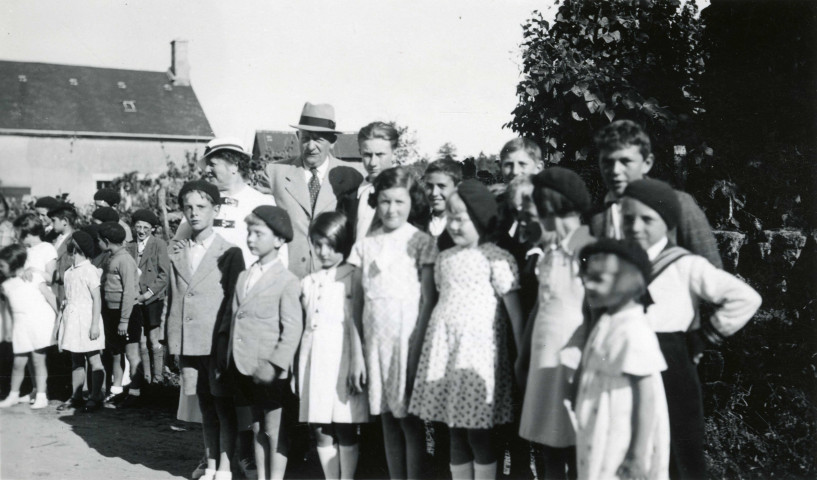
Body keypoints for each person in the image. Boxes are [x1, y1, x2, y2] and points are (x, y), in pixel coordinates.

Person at [620, 179, 762, 479]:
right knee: (634, 444)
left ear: (668, 222)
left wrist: (704, 336)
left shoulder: (685, 265)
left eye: (647, 219)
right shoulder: (619, 263)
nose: (635, 226)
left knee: (681, 445)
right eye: (628, 218)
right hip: (628, 361)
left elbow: (745, 297)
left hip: (673, 361)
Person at [173, 137, 280, 479]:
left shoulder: (260, 201)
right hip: (207, 315)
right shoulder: (198, 207)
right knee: (208, 394)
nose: (208, 169)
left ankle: (246, 453)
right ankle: (213, 457)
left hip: (249, 308)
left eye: (214, 162)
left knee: (243, 389)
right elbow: (180, 252)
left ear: (233, 163)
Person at [410, 179, 525, 480]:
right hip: (446, 352)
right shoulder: (444, 258)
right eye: (451, 218)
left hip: (479, 357)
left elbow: (514, 314)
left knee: (478, 432)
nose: (455, 225)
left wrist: (520, 355)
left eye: (462, 218)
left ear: (482, 217)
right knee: (454, 430)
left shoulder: (497, 258)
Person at [346, 166, 437, 479]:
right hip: (375, 344)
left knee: (409, 421)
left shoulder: (421, 242)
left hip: (407, 342)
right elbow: (356, 303)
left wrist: (417, 350)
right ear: (376, 201)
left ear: (411, 202)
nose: (392, 209)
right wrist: (357, 354)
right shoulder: (365, 245)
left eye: (399, 201)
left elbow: (428, 301)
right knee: (386, 418)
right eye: (385, 201)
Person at [516, 168, 594, 480]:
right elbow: (542, 305)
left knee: (577, 444)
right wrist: (523, 355)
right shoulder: (550, 251)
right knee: (548, 444)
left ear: (549, 205)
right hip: (544, 360)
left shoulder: (587, 247)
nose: (525, 215)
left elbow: (595, 309)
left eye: (531, 207)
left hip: (573, 361)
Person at [166, 180, 245, 480]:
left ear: (215, 209)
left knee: (224, 406)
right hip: (190, 343)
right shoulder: (180, 250)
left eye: (201, 207)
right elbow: (174, 298)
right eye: (188, 207)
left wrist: (230, 344)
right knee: (205, 408)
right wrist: (172, 341)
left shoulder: (229, 252)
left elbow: (235, 303)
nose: (194, 213)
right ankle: (211, 464)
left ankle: (226, 467)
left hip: (217, 342)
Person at [575, 238, 671, 480]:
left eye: (598, 279)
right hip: (599, 427)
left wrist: (637, 455)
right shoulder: (608, 320)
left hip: (620, 433)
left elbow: (647, 397)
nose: (587, 284)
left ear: (627, 282)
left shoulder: (633, 330)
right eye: (587, 277)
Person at [220, 206, 302, 480]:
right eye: (249, 233)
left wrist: (275, 364)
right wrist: (227, 358)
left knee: (274, 429)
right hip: (245, 366)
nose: (251, 239)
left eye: (259, 233)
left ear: (279, 240)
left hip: (271, 370)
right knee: (256, 427)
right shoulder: (244, 276)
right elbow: (235, 321)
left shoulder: (287, 280)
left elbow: (292, 329)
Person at [590, 120, 723, 268]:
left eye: (625, 161)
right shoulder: (597, 215)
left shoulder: (678, 204)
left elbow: (713, 277)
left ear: (647, 163)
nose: (615, 171)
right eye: (607, 162)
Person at [299, 211, 369, 479]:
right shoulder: (309, 282)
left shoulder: (354, 277)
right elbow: (307, 330)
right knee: (319, 424)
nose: (323, 252)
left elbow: (358, 323)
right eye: (318, 245)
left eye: (330, 244)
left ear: (343, 242)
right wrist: (299, 370)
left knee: (345, 424)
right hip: (315, 363)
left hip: (344, 361)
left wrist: (357, 363)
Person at [263, 102, 365, 279]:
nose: (311, 147)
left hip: (334, 281)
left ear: (332, 142)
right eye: (305, 138)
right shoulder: (274, 173)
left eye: (318, 139)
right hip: (286, 279)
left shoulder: (353, 176)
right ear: (297, 136)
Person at [0, 244, 57, 409]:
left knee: (38, 360)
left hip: (39, 322)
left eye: (2, 266)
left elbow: (50, 297)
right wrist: (9, 329)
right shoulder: (6, 285)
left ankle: (41, 395)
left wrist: (60, 319)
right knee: (19, 362)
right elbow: (10, 309)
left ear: (13, 264)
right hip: (21, 325)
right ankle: (13, 395)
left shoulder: (33, 277)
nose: (1, 269)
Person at [55, 231, 106, 412]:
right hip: (72, 321)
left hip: (87, 320)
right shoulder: (69, 272)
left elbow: (97, 299)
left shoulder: (90, 270)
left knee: (94, 360)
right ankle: (76, 396)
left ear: (76, 248)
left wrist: (94, 325)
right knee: (76, 361)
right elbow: (67, 299)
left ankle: (96, 396)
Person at [97, 221, 142, 408]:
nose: (97, 243)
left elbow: (130, 292)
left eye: (99, 240)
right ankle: (117, 391)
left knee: (132, 355)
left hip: (127, 314)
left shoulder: (124, 260)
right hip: (112, 313)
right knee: (116, 352)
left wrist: (124, 320)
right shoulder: (111, 257)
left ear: (106, 241)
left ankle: (135, 393)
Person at [127, 209, 170, 386]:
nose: (142, 230)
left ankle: (158, 380)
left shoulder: (158, 244)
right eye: (138, 227)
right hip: (135, 299)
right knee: (141, 341)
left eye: (146, 227)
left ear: (152, 228)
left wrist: (147, 295)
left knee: (153, 340)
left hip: (152, 299)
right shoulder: (129, 246)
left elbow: (164, 275)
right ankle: (146, 379)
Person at [339, 121, 399, 243]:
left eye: (380, 154)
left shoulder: (411, 194)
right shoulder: (348, 199)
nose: (373, 163)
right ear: (360, 152)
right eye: (367, 155)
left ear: (394, 153)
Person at [422, 158, 462, 251]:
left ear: (457, 188)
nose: (434, 193)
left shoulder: (465, 224)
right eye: (429, 186)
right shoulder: (417, 222)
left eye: (441, 186)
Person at [13, 213, 57, 285]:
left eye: (17, 234)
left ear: (27, 234)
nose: (16, 237)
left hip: (40, 293)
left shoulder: (47, 248)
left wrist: (34, 270)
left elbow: (51, 279)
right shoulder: (24, 249)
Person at [48, 204, 79, 304]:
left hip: (63, 293)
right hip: (54, 291)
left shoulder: (74, 241)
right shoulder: (56, 238)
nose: (52, 225)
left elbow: (71, 270)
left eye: (54, 220)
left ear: (65, 221)